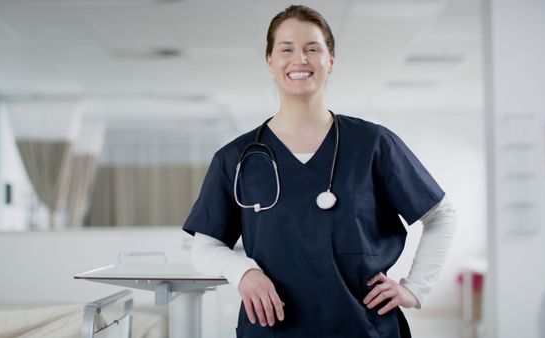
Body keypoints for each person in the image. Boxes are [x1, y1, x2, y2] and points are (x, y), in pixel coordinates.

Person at [182, 5, 456, 338]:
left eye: (312, 49)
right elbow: (205, 246)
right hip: (274, 330)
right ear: (270, 60)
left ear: (331, 60)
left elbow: (441, 215)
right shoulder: (237, 158)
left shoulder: (373, 144)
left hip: (362, 326)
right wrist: (242, 272)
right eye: (287, 49)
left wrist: (416, 288)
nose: (300, 59)